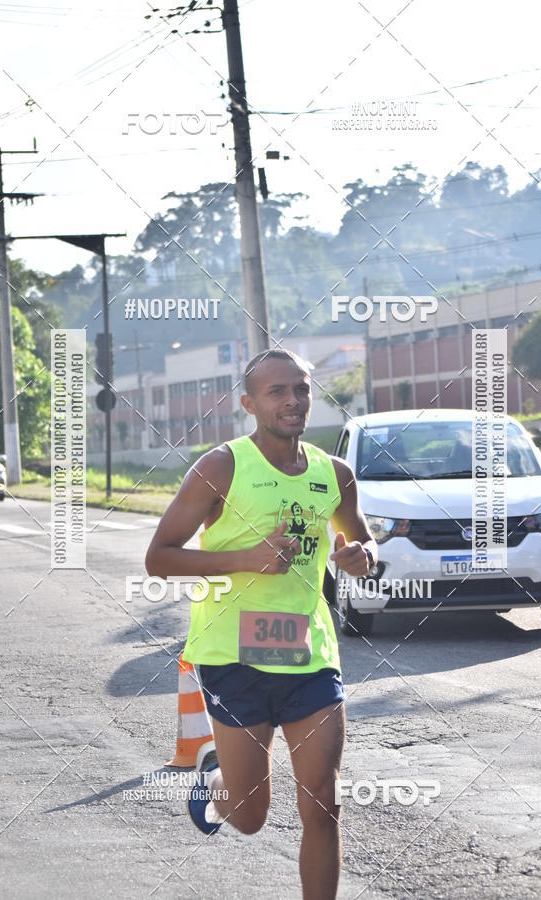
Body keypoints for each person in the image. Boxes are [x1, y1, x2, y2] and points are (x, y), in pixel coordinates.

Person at [145, 348, 377, 900]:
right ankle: (216, 780)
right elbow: (160, 557)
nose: (293, 400)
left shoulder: (335, 474)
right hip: (233, 656)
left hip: (309, 654)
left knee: (323, 800)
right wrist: (245, 558)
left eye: (301, 388)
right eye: (277, 391)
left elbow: (362, 537)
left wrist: (360, 556)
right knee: (250, 815)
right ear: (249, 403)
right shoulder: (221, 467)